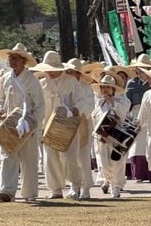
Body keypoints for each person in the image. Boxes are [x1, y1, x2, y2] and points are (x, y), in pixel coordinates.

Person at [0, 43, 44, 203]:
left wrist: (35, 124)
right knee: (8, 156)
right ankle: (6, 191)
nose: (12, 61)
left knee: (29, 159)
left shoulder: (32, 80)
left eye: (16, 58)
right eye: (11, 58)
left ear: (23, 61)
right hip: (9, 122)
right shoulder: (5, 78)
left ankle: (30, 193)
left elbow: (40, 105)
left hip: (27, 123)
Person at [31, 51, 85, 200]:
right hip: (48, 125)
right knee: (50, 158)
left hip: (68, 124)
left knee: (70, 156)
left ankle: (75, 185)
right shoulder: (41, 83)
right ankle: (55, 188)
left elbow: (81, 100)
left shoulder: (71, 81)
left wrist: (76, 109)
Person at [91, 74, 131, 199]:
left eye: (107, 87)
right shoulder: (98, 103)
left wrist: (112, 102)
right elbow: (94, 118)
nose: (104, 90)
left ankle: (116, 187)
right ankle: (107, 180)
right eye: (102, 87)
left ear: (113, 89)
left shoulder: (123, 101)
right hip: (102, 138)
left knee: (117, 162)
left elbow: (122, 115)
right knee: (104, 163)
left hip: (117, 137)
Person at [65, 58, 96, 199]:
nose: (69, 74)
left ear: (78, 73)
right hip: (68, 126)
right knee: (70, 158)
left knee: (83, 157)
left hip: (83, 125)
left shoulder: (85, 87)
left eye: (72, 72)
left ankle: (86, 187)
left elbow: (90, 105)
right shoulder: (65, 86)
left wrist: (79, 110)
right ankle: (74, 185)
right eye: (68, 71)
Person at [125, 54, 151, 182]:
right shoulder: (131, 83)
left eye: (145, 68)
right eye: (140, 68)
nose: (142, 71)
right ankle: (138, 173)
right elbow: (127, 102)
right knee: (137, 145)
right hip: (136, 114)